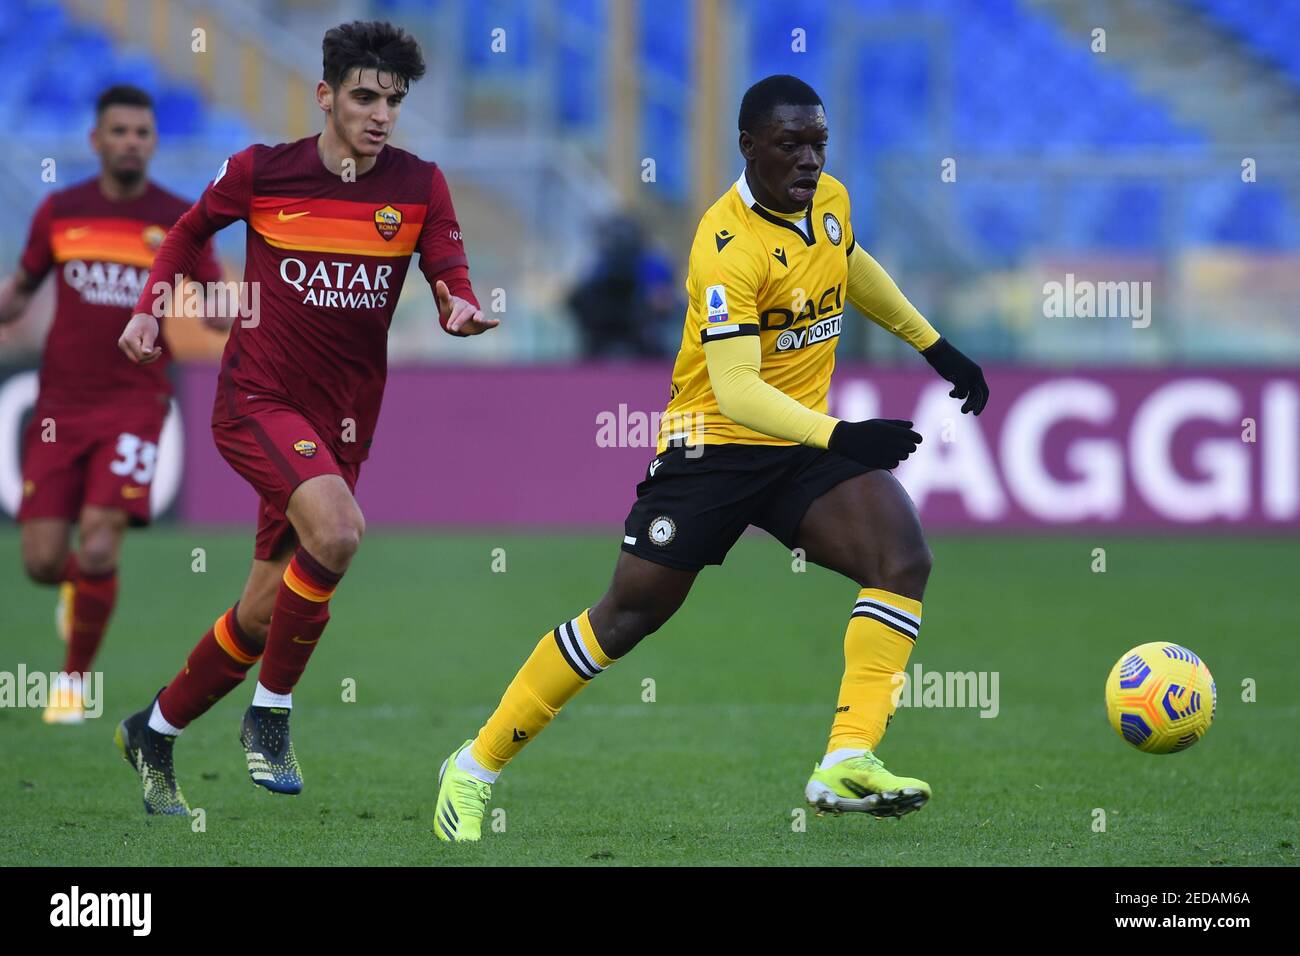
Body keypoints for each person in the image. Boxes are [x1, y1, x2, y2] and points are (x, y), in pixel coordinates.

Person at [432, 74, 988, 842]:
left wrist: (938, 348)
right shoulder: (724, 245)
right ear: (749, 146)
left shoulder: (830, 203)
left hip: (795, 444)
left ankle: (847, 759)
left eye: (818, 143)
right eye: (790, 145)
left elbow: (848, 263)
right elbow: (734, 390)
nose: (808, 160)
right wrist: (842, 435)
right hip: (712, 448)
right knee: (628, 616)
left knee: (901, 557)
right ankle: (474, 765)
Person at [113, 21, 496, 815]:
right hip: (257, 399)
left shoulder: (420, 186)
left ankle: (154, 727)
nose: (381, 113)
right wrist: (152, 311)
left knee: (260, 612)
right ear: (325, 96)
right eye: (364, 96)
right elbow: (187, 235)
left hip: (343, 422)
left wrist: (458, 304)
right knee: (340, 532)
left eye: (393, 100)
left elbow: (448, 267)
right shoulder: (262, 172)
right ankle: (271, 718)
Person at [0, 84, 224, 724]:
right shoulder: (59, 211)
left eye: (143, 133)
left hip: (136, 402)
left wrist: (255, 316)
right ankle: (78, 591)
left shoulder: (183, 221)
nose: (132, 142)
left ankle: (71, 685)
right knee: (44, 560)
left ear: (155, 142)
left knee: (100, 547)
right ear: (96, 140)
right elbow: (20, 290)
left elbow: (215, 307)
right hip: (58, 408)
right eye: (119, 131)